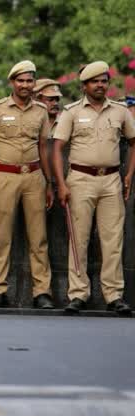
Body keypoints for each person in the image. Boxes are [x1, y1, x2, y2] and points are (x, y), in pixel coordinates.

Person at [53, 61, 135, 315]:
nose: (100, 85)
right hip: (80, 179)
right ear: (84, 85)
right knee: (79, 239)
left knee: (113, 240)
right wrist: (61, 183)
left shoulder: (121, 111)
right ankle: (78, 294)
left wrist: (129, 174)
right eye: (95, 81)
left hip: (111, 180)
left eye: (104, 81)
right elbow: (57, 148)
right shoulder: (72, 112)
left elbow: (133, 142)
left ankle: (113, 295)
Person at [0, 60, 54, 309]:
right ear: (12, 82)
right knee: (1, 237)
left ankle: (42, 292)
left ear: (34, 83)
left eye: (29, 81)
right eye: (20, 81)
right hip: (5, 176)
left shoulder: (41, 111)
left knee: (39, 237)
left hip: (34, 176)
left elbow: (44, 148)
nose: (25, 85)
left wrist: (50, 183)